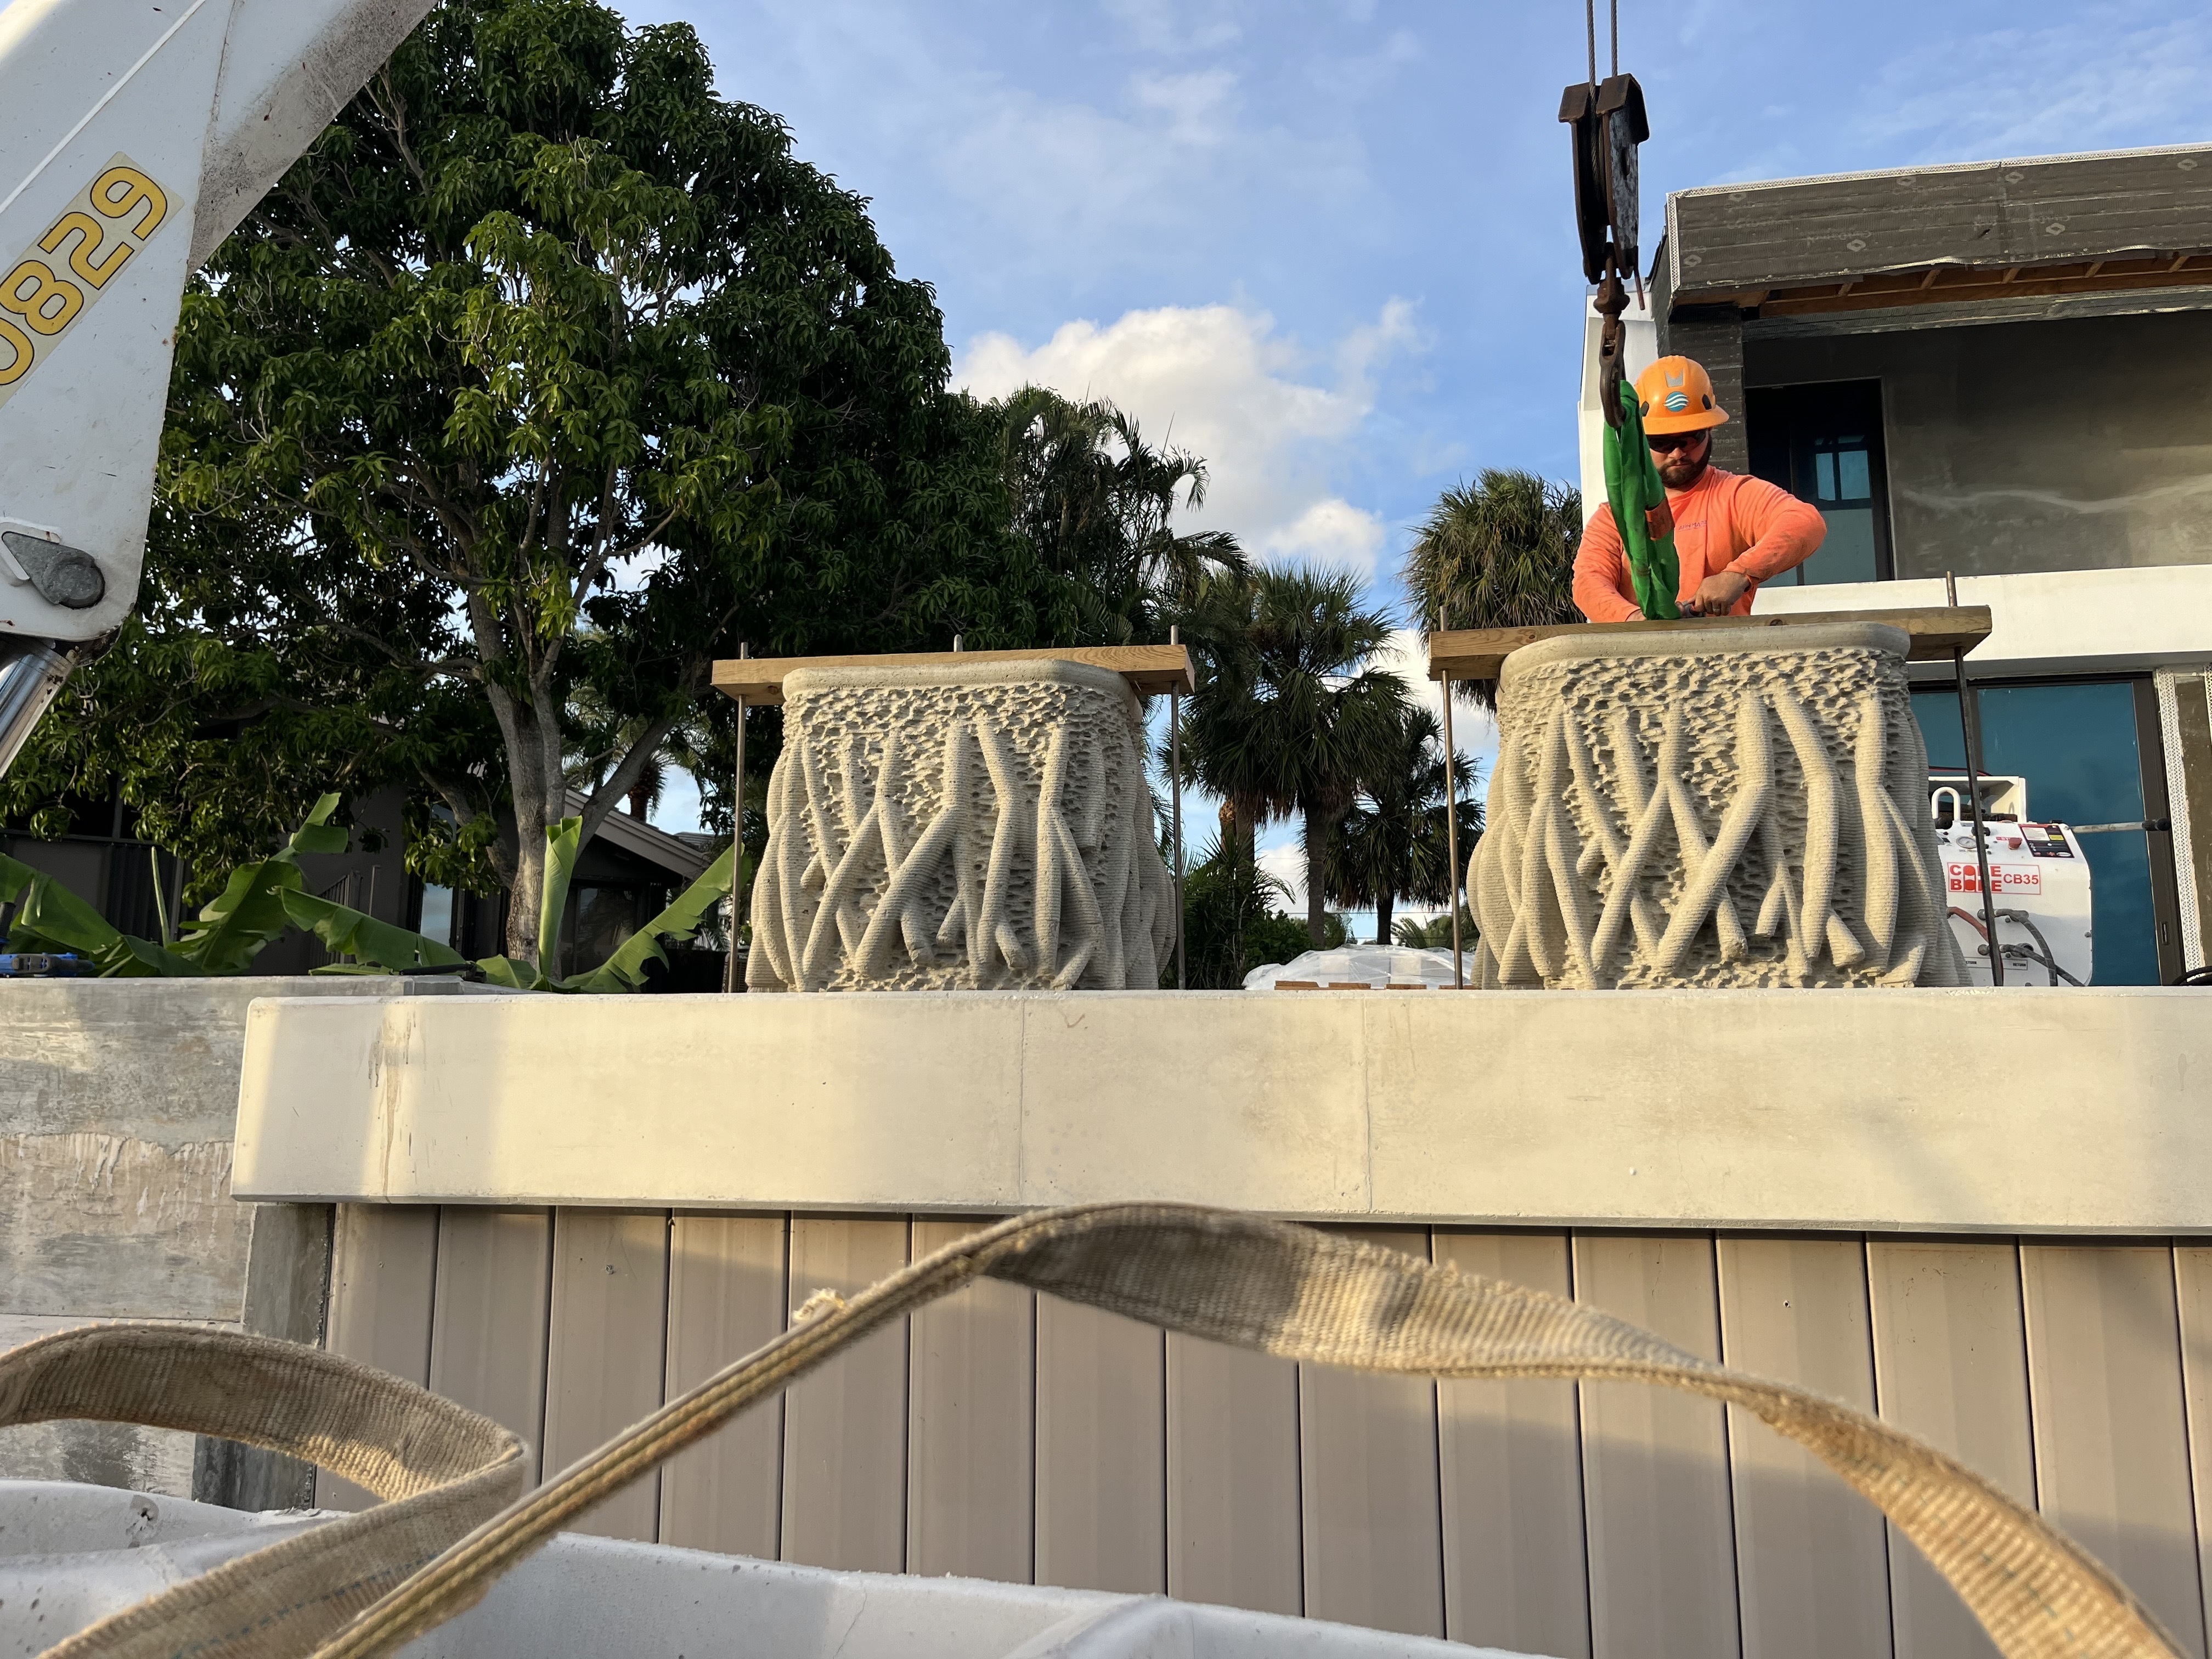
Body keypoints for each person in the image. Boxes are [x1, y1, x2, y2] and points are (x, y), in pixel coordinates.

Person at [1572, 356, 1826, 621]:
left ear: (1709, 431)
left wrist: (1739, 574)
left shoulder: (1734, 495)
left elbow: (1804, 522)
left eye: (1691, 438)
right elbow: (1589, 581)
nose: (1678, 453)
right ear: (1642, 440)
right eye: (1661, 442)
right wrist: (1636, 621)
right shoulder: (1613, 517)